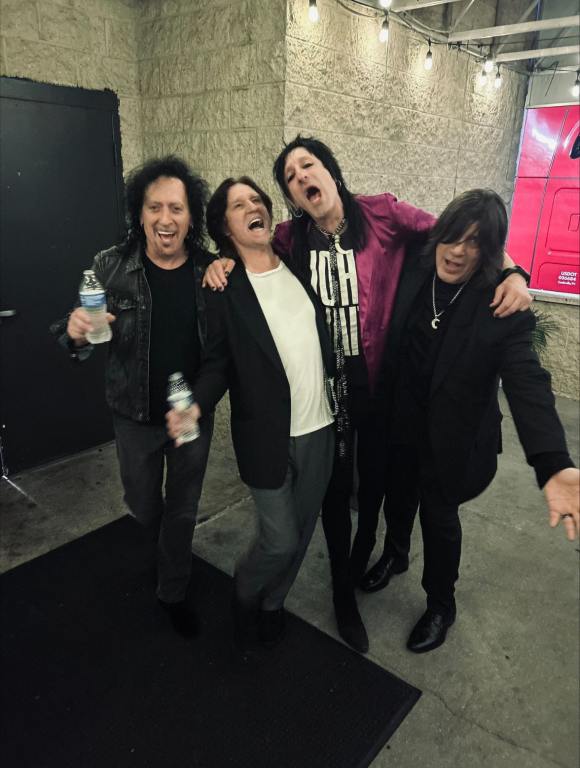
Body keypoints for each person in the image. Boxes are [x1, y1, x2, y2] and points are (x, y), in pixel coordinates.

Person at [203, 136, 533, 654]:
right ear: (292, 196)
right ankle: (343, 589)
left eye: (307, 165)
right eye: (289, 177)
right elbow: (249, 251)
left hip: (384, 387)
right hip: (329, 395)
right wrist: (218, 261)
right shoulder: (291, 237)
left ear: (331, 171)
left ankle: (377, 556)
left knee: (378, 483)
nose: (300, 177)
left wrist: (513, 269)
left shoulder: (383, 214)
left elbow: (460, 237)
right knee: (336, 494)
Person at [371, 188, 579, 653]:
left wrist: (552, 461)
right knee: (398, 498)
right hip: (402, 421)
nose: (459, 251)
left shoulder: (501, 305)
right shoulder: (416, 265)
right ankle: (395, 555)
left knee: (440, 521)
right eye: (454, 237)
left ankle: (441, 605)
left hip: (454, 440)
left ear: (488, 252)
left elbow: (527, 380)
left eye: (474, 243)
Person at [167, 177, 335, 650]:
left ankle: (273, 603)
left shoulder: (297, 266)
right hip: (264, 434)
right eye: (238, 205)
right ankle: (244, 590)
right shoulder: (224, 286)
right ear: (225, 226)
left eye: (257, 200)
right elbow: (218, 360)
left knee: (301, 534)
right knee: (278, 539)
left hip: (318, 427)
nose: (252, 207)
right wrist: (195, 404)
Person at [52, 156, 214, 637]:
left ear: (191, 217)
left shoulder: (209, 270)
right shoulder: (111, 265)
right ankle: (164, 543)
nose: (165, 220)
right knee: (145, 506)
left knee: (182, 510)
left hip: (190, 417)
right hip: (133, 417)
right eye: (154, 208)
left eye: (177, 209)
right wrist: (77, 332)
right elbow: (75, 334)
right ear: (139, 213)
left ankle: (173, 589)